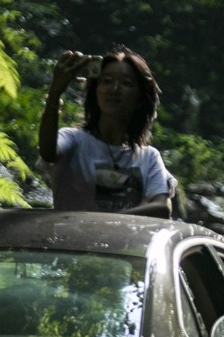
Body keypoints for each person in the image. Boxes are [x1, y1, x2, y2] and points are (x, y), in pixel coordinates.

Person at [37, 46, 178, 216]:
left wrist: (106, 223)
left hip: (123, 235)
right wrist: (55, 93)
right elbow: (48, 152)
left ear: (141, 98)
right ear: (96, 91)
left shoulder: (149, 157)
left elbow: (162, 207)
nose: (115, 89)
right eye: (107, 81)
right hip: (68, 234)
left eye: (126, 83)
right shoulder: (74, 140)